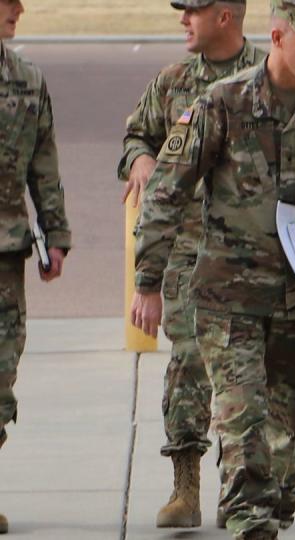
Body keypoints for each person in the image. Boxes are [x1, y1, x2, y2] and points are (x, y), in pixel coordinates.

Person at [130, 0, 295, 537]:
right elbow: (165, 194)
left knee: (283, 448)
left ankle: (263, 503)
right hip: (230, 303)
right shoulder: (222, 103)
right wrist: (148, 282)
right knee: (246, 439)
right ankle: (248, 515)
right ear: (276, 36)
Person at [117, 0, 265, 528]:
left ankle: (241, 485)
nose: (183, 19)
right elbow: (136, 134)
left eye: (192, 11)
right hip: (187, 254)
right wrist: (141, 160)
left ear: (224, 15)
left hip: (252, 257)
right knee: (187, 365)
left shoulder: (268, 78)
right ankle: (186, 485)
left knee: (250, 376)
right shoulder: (175, 81)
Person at [0, 0, 71, 534]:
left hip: (6, 255)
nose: (18, 9)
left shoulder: (27, 80)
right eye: (7, 2)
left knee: (1, 377)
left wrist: (56, 235)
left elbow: (43, 162)